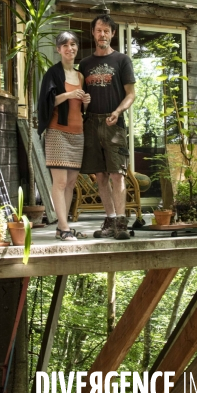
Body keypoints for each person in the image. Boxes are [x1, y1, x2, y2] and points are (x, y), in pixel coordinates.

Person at [79, 15, 136, 240]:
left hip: (114, 123)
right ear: (93, 33)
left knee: (117, 174)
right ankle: (110, 220)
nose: (102, 34)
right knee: (100, 176)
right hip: (90, 123)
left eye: (106, 31)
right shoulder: (84, 64)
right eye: (99, 30)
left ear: (112, 34)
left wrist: (118, 111)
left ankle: (121, 223)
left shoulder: (122, 60)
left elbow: (131, 94)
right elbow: (81, 96)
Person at [38, 31, 90, 241]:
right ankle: (64, 227)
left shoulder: (80, 76)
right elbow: (45, 102)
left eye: (74, 44)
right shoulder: (52, 73)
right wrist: (68, 94)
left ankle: (63, 226)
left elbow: (82, 109)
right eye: (65, 45)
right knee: (59, 183)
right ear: (58, 49)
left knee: (70, 183)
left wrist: (85, 100)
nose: (70, 48)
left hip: (78, 134)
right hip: (57, 132)